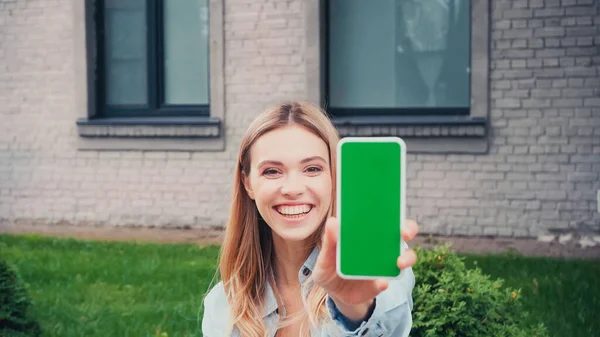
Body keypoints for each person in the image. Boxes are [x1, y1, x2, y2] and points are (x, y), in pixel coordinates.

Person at [202, 101, 419, 337]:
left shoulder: (372, 260)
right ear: (247, 183)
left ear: (334, 177)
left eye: (312, 169)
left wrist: (354, 309)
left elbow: (389, 325)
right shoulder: (223, 306)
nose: (293, 189)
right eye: (272, 171)